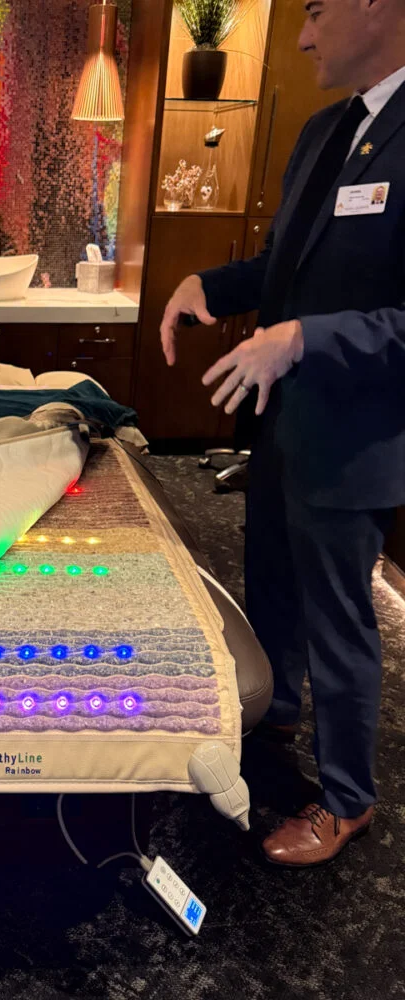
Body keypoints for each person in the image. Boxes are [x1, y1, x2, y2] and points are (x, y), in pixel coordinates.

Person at [160, 0, 405, 867]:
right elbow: (281, 267)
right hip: (279, 424)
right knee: (269, 584)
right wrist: (209, 285)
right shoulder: (322, 131)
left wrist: (305, 338)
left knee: (341, 623)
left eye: (313, 12)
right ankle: (276, 719)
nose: (301, 37)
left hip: (356, 441)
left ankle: (347, 801)